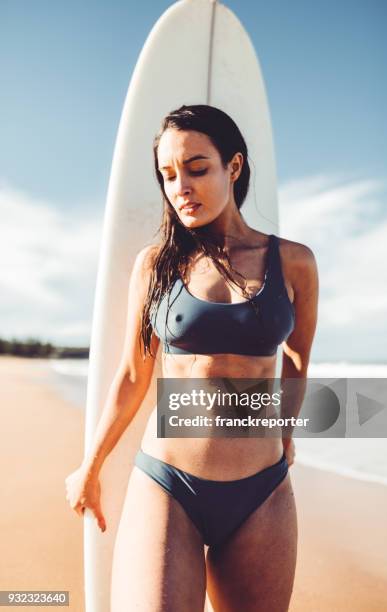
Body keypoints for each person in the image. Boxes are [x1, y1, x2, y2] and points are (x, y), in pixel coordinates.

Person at [65, 104, 318, 611]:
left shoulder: (293, 263)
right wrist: (90, 468)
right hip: (169, 483)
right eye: (168, 175)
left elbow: (295, 361)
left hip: (261, 492)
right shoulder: (157, 265)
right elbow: (134, 375)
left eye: (197, 168)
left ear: (235, 167)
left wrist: (286, 436)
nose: (181, 186)